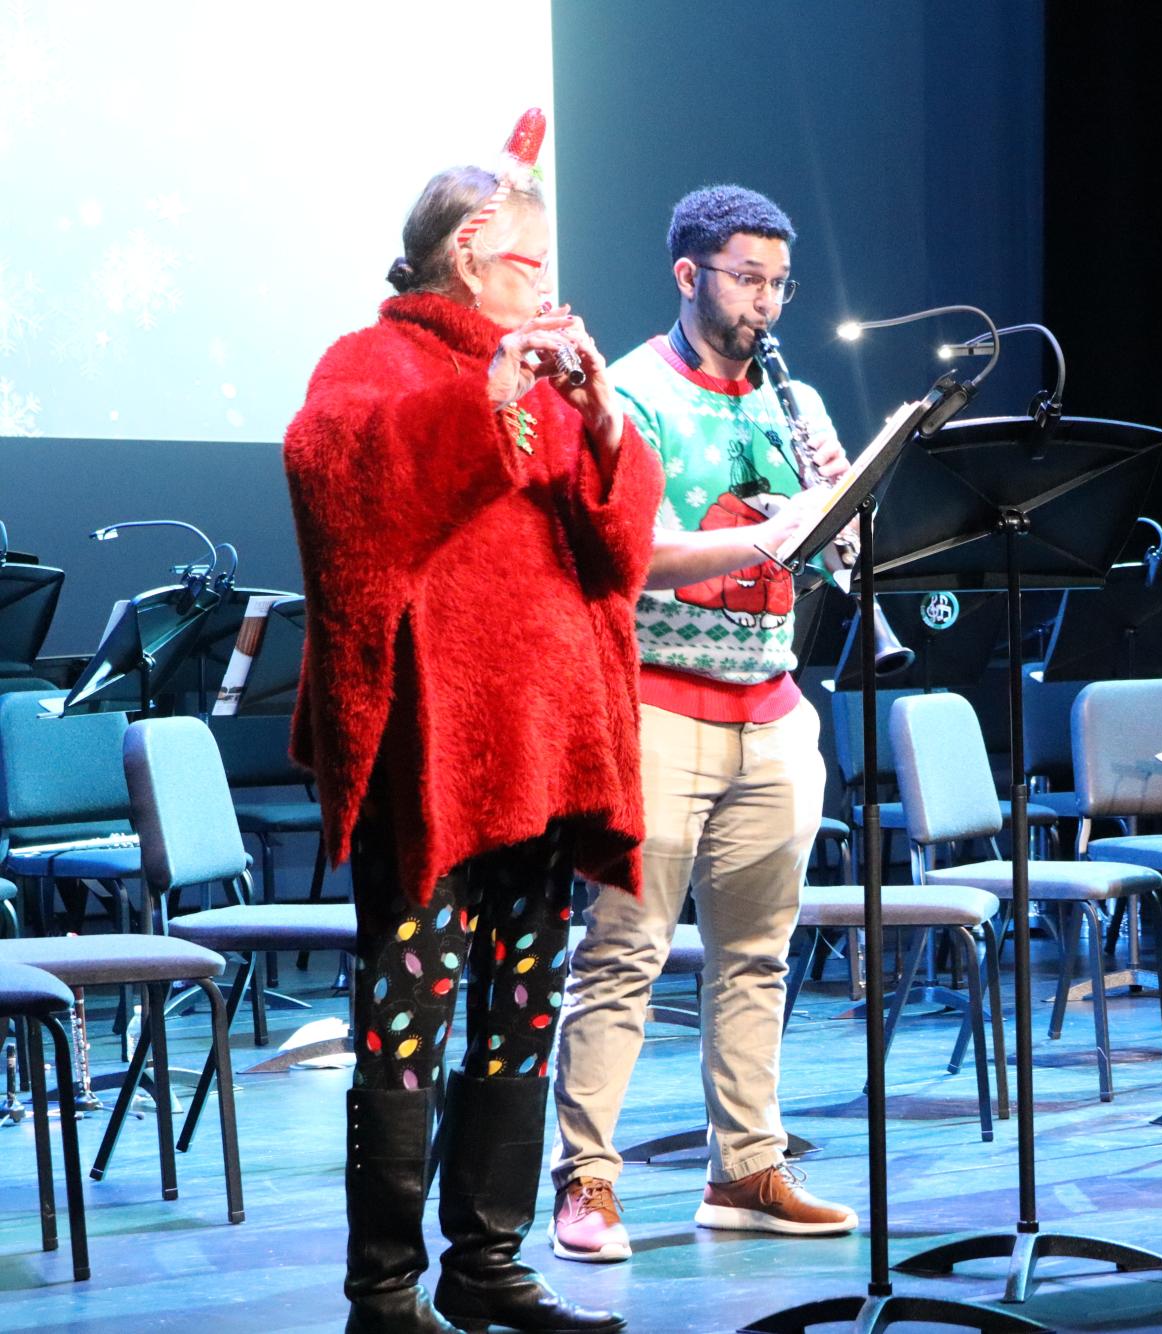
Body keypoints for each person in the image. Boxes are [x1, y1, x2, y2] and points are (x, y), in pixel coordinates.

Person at [285, 110, 661, 1332]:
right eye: (525, 263)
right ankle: (384, 1288)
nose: (546, 286)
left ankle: (485, 1262)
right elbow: (337, 477)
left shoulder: (549, 385)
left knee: (523, 1008)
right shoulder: (372, 360)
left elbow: (615, 551)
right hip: (437, 762)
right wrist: (480, 406)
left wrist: (602, 421)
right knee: (409, 1019)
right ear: (462, 251)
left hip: (551, 753)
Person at [548, 184, 858, 1262]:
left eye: (779, 283)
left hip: (772, 706)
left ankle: (747, 1167)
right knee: (623, 949)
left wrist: (840, 519)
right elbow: (639, 556)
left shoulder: (797, 401)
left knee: (759, 957)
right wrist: (781, 529)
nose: (765, 304)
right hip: (656, 701)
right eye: (746, 280)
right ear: (690, 275)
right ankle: (586, 1178)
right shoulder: (629, 394)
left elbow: (834, 555)